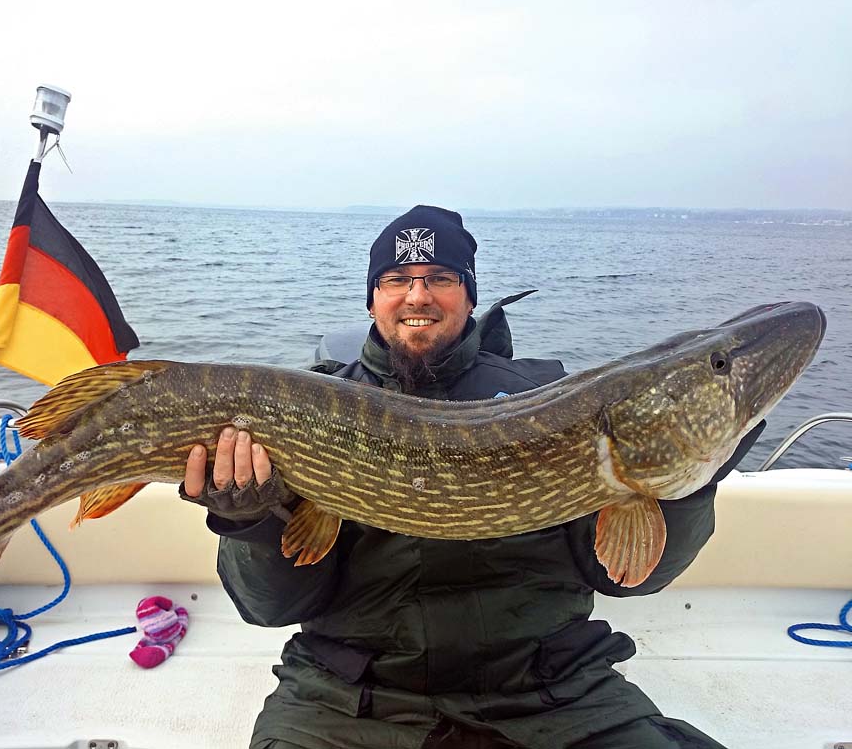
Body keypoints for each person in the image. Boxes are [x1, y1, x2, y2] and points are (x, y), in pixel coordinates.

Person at [179, 206, 762, 749]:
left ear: (468, 294)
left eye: (440, 277)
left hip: (549, 694)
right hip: (348, 701)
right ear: (372, 298)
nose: (418, 295)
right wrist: (247, 520)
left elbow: (630, 578)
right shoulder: (308, 411)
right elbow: (272, 607)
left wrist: (685, 483)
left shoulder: (547, 401)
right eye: (396, 279)